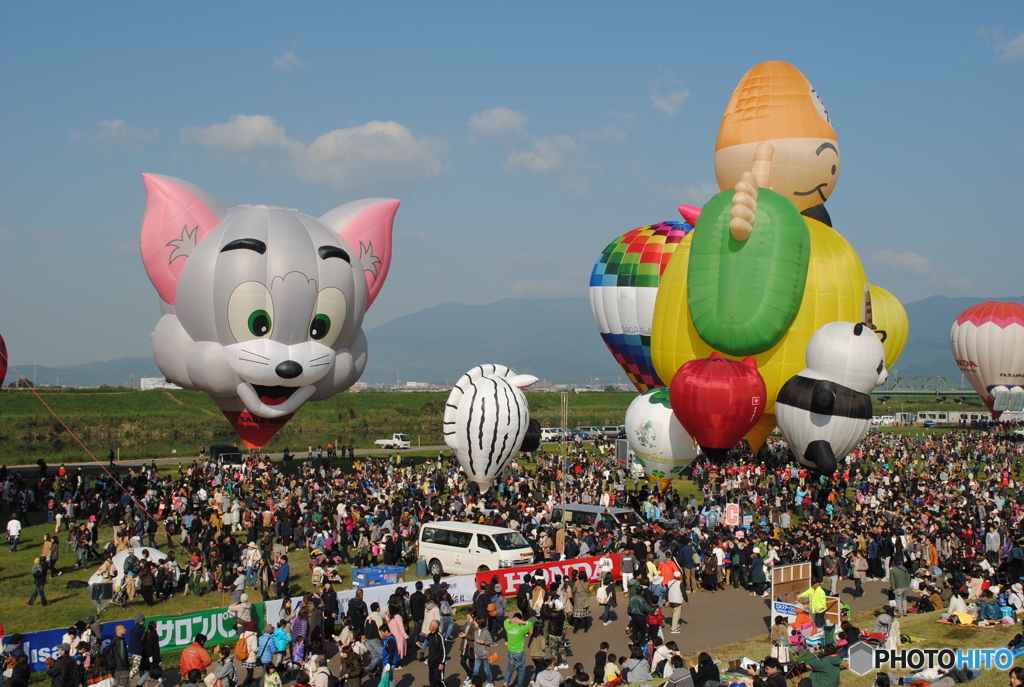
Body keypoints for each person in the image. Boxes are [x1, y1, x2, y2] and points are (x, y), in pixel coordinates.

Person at [503, 614, 535, 687]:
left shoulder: (508, 627)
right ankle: (519, 685)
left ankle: (506, 682)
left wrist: (512, 620)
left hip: (510, 650)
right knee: (521, 670)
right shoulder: (521, 629)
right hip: (519, 651)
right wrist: (522, 622)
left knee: (510, 668)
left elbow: (505, 621)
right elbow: (530, 624)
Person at [472, 617, 495, 687]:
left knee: (487, 670)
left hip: (485, 655)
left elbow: (490, 641)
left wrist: (483, 642)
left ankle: (490, 682)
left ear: (479, 624)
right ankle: (474, 683)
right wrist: (475, 653)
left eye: (475, 622)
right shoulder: (475, 631)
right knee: (475, 670)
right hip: (478, 655)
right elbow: (475, 643)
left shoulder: (486, 632)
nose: (474, 623)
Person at [426, 620, 447, 687]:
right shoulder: (430, 636)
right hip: (431, 663)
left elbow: (443, 650)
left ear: (435, 627)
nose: (429, 626)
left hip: (438, 663)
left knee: (439, 681)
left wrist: (442, 663)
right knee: (432, 681)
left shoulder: (439, 636)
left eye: (430, 625)